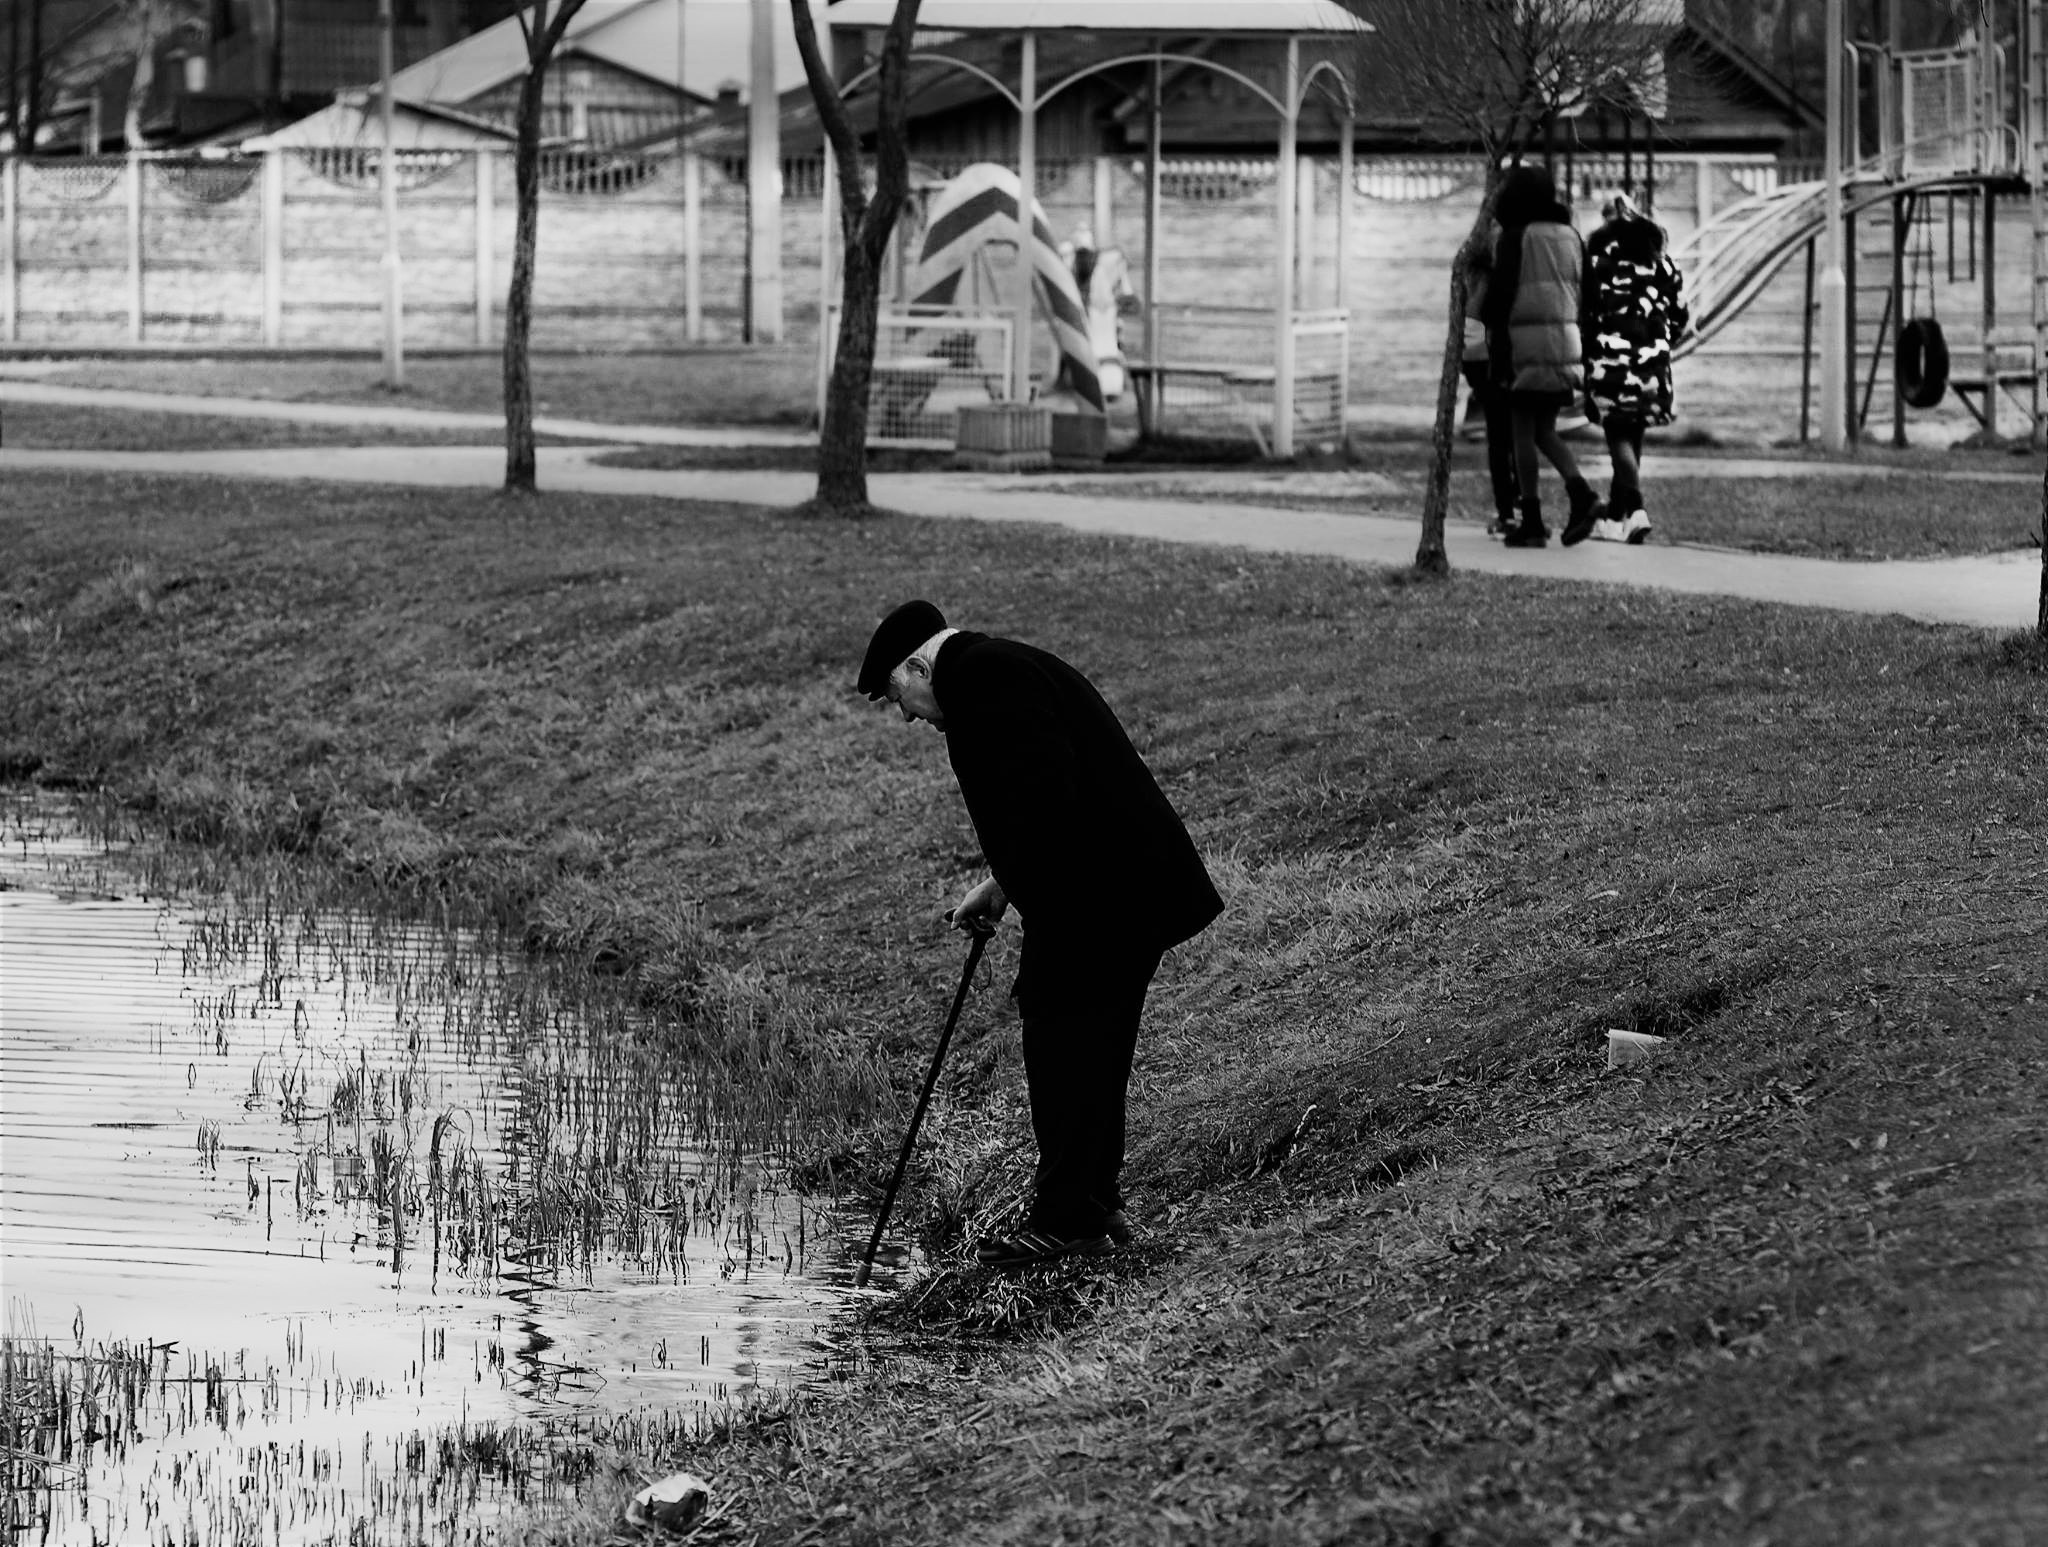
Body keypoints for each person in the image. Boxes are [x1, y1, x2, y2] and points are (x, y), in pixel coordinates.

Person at [857, 600, 1223, 1270]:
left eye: (895, 696)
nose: (905, 713)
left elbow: (1049, 796)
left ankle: (1064, 1219)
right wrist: (1002, 883)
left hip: (1103, 891)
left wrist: (1022, 882)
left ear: (917, 666)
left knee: (1060, 1036)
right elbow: (1042, 797)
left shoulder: (986, 677)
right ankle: (1094, 1204)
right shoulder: (990, 668)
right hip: (1117, 884)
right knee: (1092, 1038)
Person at [1480, 162, 1605, 548]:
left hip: (1524, 348)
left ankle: (1534, 520)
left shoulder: (1516, 238)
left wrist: (1487, 322)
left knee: (1521, 432)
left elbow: (1498, 299)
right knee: (1543, 430)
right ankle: (1580, 495)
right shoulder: (1572, 236)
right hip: (1565, 346)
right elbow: (1590, 297)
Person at [1583, 191, 1690, 544]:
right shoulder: (1664, 264)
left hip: (1609, 365)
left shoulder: (1599, 264)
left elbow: (1585, 314)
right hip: (1652, 366)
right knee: (1634, 435)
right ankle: (1616, 516)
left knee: (1617, 435)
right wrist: (1660, 341)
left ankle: (1637, 509)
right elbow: (1681, 316)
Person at [1459, 223, 1518, 537]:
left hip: (1490, 365)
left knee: (1502, 438)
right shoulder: (1488, 278)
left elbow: (1470, 324)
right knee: (1510, 436)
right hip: (1498, 363)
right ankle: (1513, 508)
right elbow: (1472, 322)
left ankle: (1509, 510)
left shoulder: (1478, 277)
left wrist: (1471, 368)